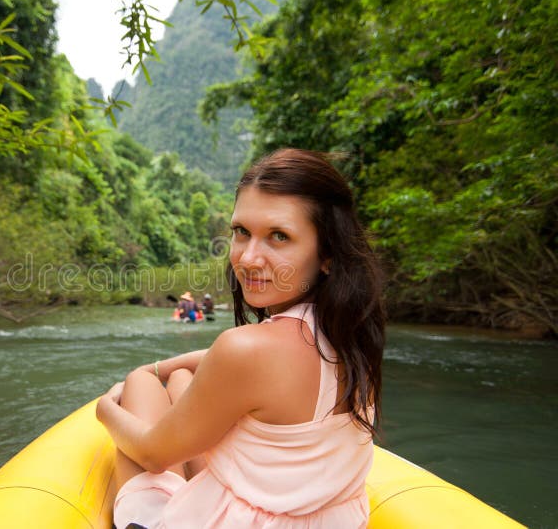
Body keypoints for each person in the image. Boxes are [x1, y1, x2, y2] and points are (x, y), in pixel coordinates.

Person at [97, 148, 385, 528]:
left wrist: (104, 408)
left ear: (327, 254)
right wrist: (168, 366)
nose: (248, 259)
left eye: (278, 237)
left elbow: (151, 455)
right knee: (181, 378)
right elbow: (268, 364)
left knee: (138, 382)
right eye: (241, 232)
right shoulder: (353, 334)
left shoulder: (246, 351)